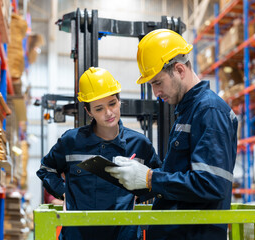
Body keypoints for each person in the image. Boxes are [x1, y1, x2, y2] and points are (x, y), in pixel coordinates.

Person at [106, 29, 238, 240]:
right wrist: (136, 179)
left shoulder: (209, 111)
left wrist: (150, 178)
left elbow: (212, 184)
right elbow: (181, 178)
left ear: (179, 70)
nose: (156, 93)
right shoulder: (188, 111)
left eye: (157, 82)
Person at [37, 67, 161, 240]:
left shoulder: (140, 145)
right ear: (89, 112)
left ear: (119, 101)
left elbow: (159, 179)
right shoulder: (71, 142)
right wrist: (64, 192)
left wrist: (137, 195)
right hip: (78, 234)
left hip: (123, 235)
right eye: (99, 108)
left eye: (112, 104)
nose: (109, 113)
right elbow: (46, 169)